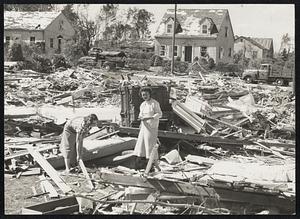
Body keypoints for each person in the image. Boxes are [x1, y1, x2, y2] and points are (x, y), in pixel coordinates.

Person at [133, 87, 162, 169]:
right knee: (141, 146)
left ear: (149, 94)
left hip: (151, 127)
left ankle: (154, 165)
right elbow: (140, 115)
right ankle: (142, 165)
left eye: (146, 94)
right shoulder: (143, 104)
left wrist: (149, 118)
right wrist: (141, 119)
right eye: (143, 95)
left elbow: (159, 114)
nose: (144, 96)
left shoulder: (154, 103)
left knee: (150, 146)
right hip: (144, 127)